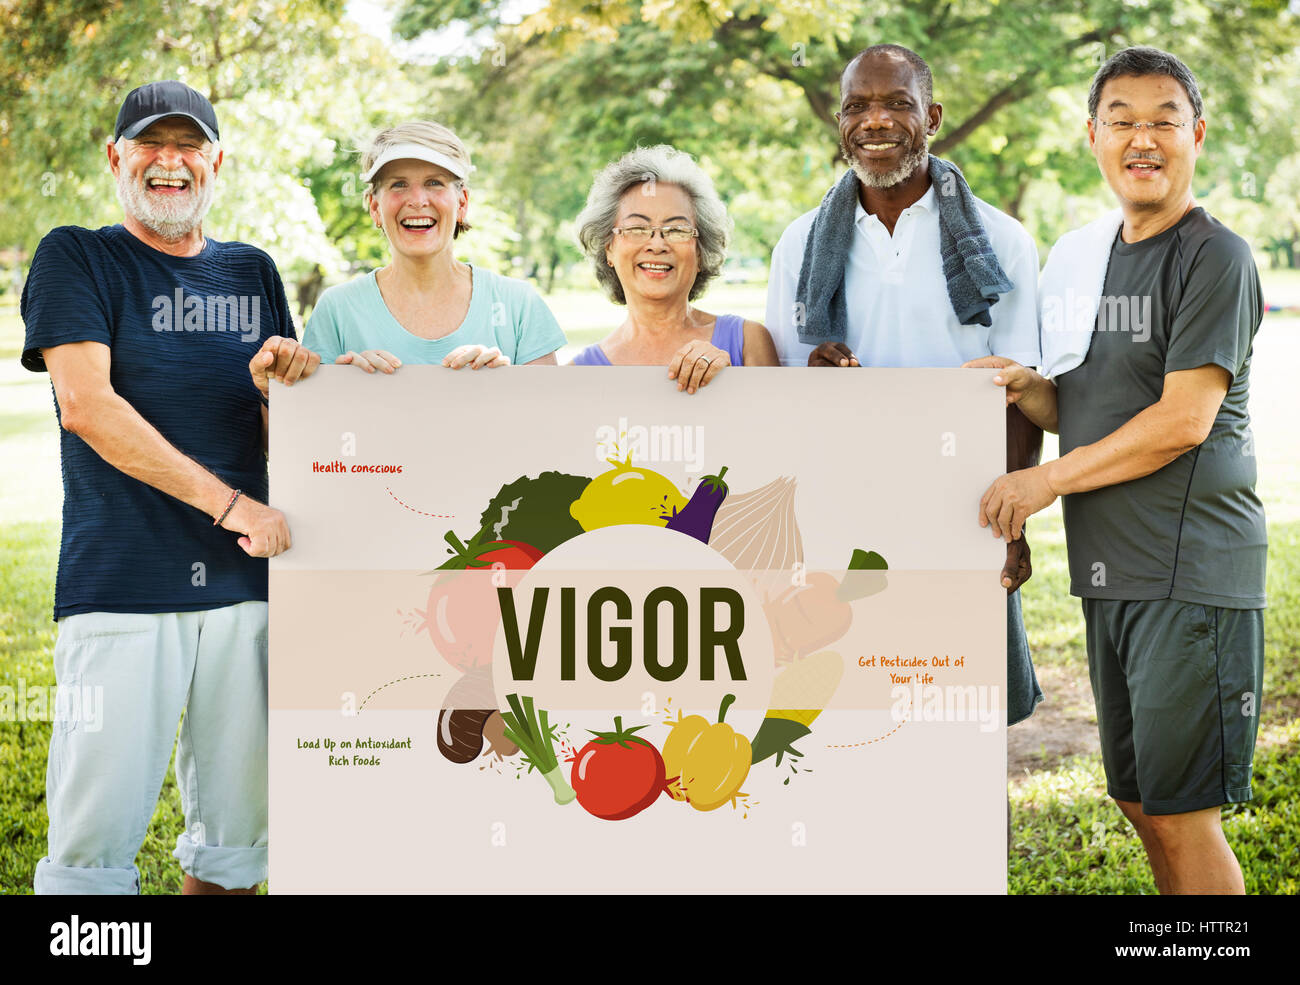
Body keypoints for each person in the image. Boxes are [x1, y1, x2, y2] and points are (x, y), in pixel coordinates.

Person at [974, 47, 1266, 894]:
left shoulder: (1216, 257)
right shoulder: (1090, 258)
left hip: (1189, 575)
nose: (1144, 138)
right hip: (1113, 574)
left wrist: (1045, 481)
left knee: (1185, 812)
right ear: (1093, 137)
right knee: (1141, 800)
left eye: (1164, 120)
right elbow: (1091, 405)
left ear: (1197, 135)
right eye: (1123, 120)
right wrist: (1031, 391)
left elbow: (1181, 421)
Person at [20, 80, 316, 894]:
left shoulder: (251, 271)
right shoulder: (76, 255)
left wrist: (270, 391)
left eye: (190, 146)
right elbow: (87, 407)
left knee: (236, 846)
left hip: (244, 588)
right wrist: (231, 504)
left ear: (216, 162)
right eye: (152, 144)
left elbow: (281, 439)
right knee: (91, 853)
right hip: (122, 586)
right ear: (116, 157)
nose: (171, 162)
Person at [764, 44, 1044, 726]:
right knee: (846, 714)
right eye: (858, 106)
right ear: (839, 122)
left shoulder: (1002, 243)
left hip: (962, 512)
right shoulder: (800, 245)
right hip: (839, 515)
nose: (876, 121)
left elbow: (1025, 393)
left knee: (966, 724)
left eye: (897, 103)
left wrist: (1008, 522)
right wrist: (815, 376)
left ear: (934, 116)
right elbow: (777, 394)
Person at [296, 121, 565, 377]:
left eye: (434, 182)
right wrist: (345, 387)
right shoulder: (337, 310)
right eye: (398, 184)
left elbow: (550, 418)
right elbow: (309, 421)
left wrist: (502, 384)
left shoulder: (519, 306)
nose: (417, 200)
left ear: (462, 203)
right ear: (375, 207)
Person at [571, 144, 778, 388]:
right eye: (637, 228)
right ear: (609, 249)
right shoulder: (580, 372)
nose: (657, 244)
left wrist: (732, 384)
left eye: (677, 230)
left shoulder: (748, 342)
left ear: (701, 252)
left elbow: (778, 424)